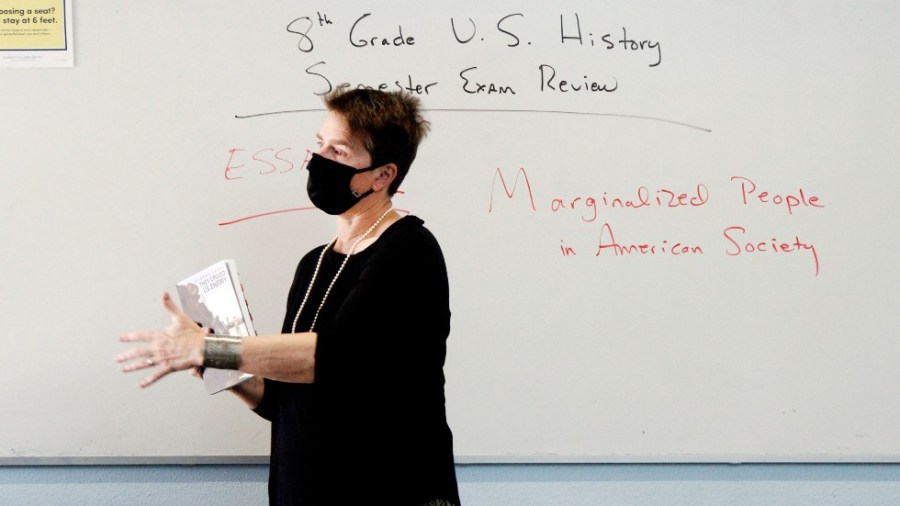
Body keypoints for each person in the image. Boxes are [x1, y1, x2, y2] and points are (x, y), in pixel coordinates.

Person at [117, 87, 461, 506]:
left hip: (388, 487)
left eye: (339, 151)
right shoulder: (314, 263)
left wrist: (215, 348)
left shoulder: (408, 250)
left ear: (382, 175)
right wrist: (217, 364)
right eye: (320, 145)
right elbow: (283, 399)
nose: (319, 160)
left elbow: (333, 359)